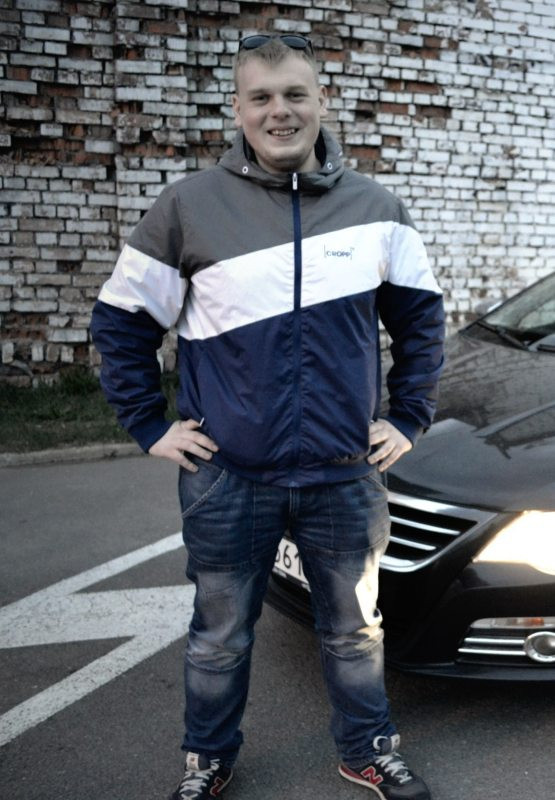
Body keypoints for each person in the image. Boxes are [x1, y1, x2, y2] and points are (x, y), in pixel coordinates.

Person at [91, 33, 444, 800]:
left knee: (354, 632)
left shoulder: (377, 210)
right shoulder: (188, 207)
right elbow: (120, 320)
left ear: (321, 102)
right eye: (260, 97)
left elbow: (421, 323)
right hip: (229, 477)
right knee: (219, 636)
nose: (278, 111)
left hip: (343, 475)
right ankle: (207, 760)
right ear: (238, 109)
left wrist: (409, 416)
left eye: (293, 94)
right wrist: (150, 425)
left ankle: (366, 751)